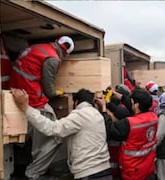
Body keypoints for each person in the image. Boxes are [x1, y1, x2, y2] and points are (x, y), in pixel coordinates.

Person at [9, 36, 75, 179]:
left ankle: (21, 169)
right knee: (54, 138)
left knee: (23, 140)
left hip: (15, 93)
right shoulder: (53, 59)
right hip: (32, 98)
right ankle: (32, 174)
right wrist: (57, 93)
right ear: (66, 54)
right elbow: (48, 88)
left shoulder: (38, 47)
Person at [11, 88, 112, 180]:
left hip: (89, 174)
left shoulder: (80, 115)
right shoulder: (98, 115)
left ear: (76, 103)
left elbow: (52, 128)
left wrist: (26, 108)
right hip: (105, 171)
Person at [95, 88, 158, 180]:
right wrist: (120, 96)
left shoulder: (130, 124)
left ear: (136, 105)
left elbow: (110, 129)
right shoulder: (153, 117)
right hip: (148, 168)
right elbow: (134, 107)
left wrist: (104, 109)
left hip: (133, 172)